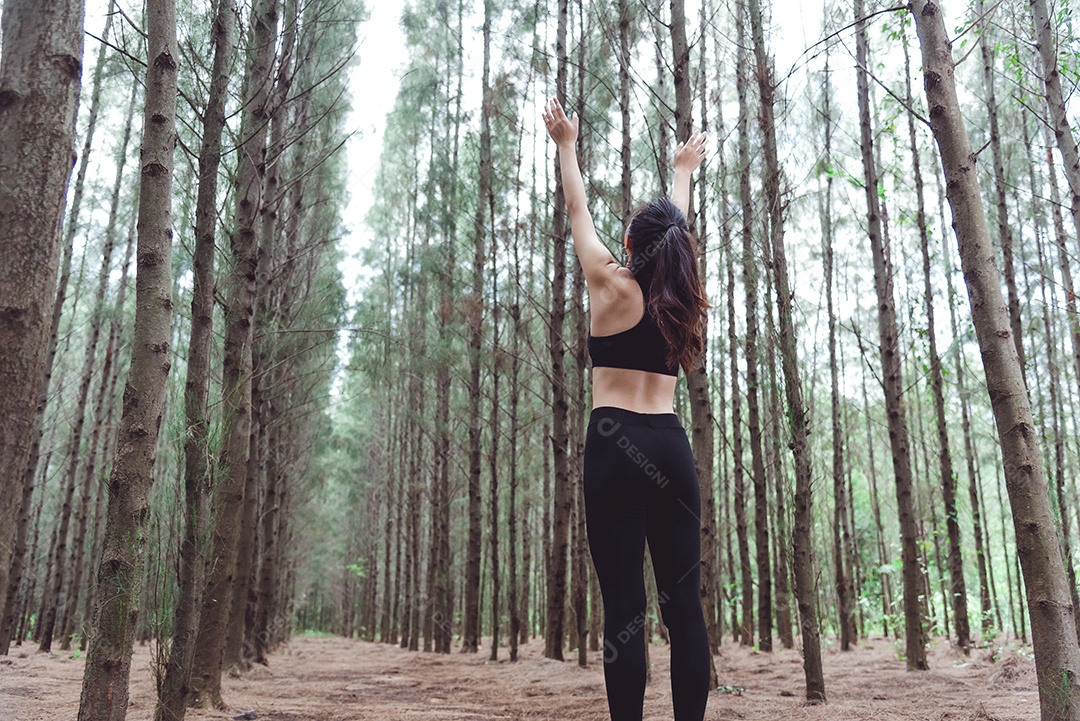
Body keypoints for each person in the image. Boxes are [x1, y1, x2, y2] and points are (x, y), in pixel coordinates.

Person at [541, 96, 712, 721]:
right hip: (670, 446)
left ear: (630, 243)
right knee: (684, 607)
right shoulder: (681, 299)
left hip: (614, 447)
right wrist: (682, 175)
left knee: (625, 610)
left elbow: (577, 208)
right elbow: (677, 235)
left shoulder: (607, 283)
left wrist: (566, 145)